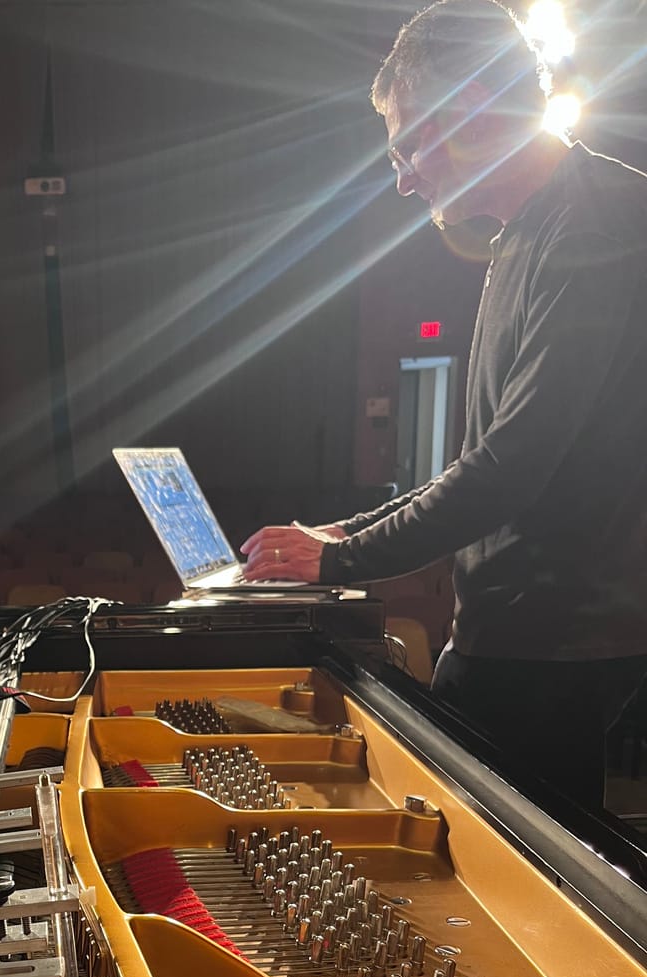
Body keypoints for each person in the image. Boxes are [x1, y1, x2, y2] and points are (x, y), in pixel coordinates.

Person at [240, 0, 647, 809]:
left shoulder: (593, 227)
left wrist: (340, 561)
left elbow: (513, 465)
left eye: (407, 144)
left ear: (464, 111)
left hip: (553, 639)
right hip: (535, 633)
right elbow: (491, 456)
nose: (402, 177)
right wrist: (343, 534)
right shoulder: (538, 225)